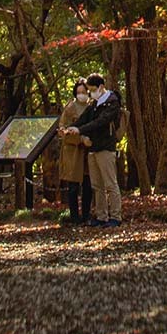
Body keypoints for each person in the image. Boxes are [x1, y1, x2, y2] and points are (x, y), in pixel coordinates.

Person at [65, 73, 122, 228]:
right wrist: (73, 128)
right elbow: (85, 117)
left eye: (92, 89)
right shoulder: (94, 104)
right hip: (93, 148)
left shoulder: (111, 102)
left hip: (105, 147)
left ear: (101, 87)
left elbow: (100, 122)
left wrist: (80, 129)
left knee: (110, 184)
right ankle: (101, 216)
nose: (90, 93)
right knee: (97, 185)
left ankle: (116, 216)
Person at [59, 78, 93, 224]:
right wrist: (79, 139)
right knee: (73, 186)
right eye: (78, 92)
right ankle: (74, 216)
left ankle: (86, 215)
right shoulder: (70, 108)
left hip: (89, 151)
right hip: (73, 152)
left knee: (88, 185)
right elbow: (63, 130)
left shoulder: (92, 106)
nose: (81, 95)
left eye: (84, 92)